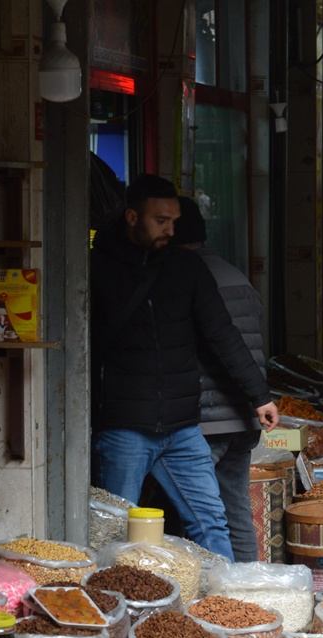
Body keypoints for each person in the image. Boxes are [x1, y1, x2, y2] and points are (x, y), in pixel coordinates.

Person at [89, 174, 277, 562]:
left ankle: (225, 606)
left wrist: (258, 395)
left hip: (183, 428)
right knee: (118, 530)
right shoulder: (98, 268)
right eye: (161, 220)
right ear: (131, 217)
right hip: (125, 427)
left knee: (211, 522)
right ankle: (126, 610)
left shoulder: (186, 267)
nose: (170, 229)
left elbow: (222, 333)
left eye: (174, 221)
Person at [172, 195, 275, 562]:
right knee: (235, 508)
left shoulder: (186, 278)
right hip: (245, 415)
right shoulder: (237, 275)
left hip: (207, 419)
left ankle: (207, 594)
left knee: (199, 516)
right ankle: (246, 584)